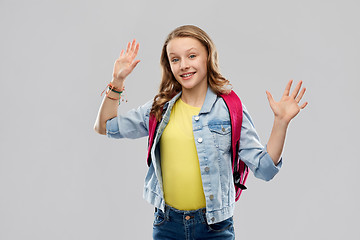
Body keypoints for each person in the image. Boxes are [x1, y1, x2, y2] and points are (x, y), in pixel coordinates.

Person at [94, 25, 307, 240]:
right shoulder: (159, 108)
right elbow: (105, 126)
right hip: (167, 225)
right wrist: (118, 80)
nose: (184, 65)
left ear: (208, 57)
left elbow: (265, 169)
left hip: (215, 229)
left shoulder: (230, 109)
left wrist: (280, 123)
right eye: (175, 59)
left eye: (192, 56)